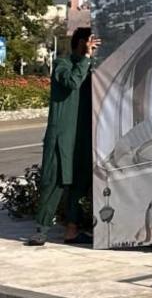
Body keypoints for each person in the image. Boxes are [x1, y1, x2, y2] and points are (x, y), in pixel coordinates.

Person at [28, 27, 99, 246]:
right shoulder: (62, 65)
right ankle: (41, 229)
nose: (93, 48)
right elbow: (71, 83)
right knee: (55, 182)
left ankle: (71, 230)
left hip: (83, 137)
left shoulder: (91, 69)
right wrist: (86, 58)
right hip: (62, 136)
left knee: (80, 182)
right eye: (90, 43)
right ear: (80, 43)